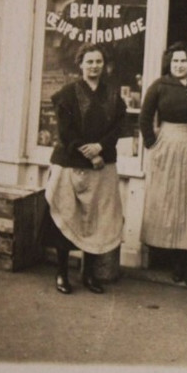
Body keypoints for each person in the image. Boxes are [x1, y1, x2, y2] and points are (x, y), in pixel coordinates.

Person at [43, 44, 126, 295]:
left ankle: (88, 275)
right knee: (67, 217)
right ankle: (61, 273)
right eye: (89, 62)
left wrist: (100, 147)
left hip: (102, 164)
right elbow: (65, 131)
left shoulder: (112, 96)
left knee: (95, 220)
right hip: (71, 163)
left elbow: (120, 127)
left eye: (98, 62)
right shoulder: (67, 94)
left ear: (104, 65)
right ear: (80, 64)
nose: (94, 66)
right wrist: (87, 151)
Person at [139, 41, 187, 286]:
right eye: (175, 61)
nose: (180, 65)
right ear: (169, 63)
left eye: (183, 61)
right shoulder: (159, 86)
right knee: (171, 203)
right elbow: (144, 116)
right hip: (168, 144)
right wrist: (152, 143)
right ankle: (176, 264)